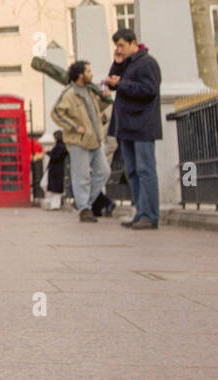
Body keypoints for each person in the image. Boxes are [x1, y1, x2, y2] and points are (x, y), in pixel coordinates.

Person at [105, 27, 162, 230]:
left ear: (132, 43)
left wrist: (122, 83)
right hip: (126, 126)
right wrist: (117, 65)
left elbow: (149, 90)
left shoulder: (147, 63)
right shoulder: (126, 64)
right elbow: (114, 82)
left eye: (121, 45)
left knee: (146, 170)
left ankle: (150, 215)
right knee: (133, 172)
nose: (118, 50)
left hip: (142, 124)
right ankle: (140, 212)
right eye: (116, 46)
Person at [52, 61, 110, 223]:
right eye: (89, 71)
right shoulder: (69, 94)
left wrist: (106, 98)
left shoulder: (90, 91)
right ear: (80, 75)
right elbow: (56, 112)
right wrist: (74, 127)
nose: (91, 74)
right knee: (81, 176)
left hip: (95, 140)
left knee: (104, 172)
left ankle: (84, 204)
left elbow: (99, 107)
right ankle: (84, 208)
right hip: (79, 142)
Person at [46, 130, 69, 199]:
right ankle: (53, 203)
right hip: (56, 169)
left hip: (56, 170)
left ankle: (55, 205)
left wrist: (48, 153)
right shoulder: (61, 146)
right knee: (54, 187)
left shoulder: (60, 146)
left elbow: (56, 157)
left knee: (55, 188)